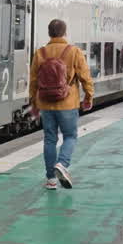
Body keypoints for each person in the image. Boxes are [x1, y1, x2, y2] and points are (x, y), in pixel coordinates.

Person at [29, 19, 95, 190]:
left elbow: (34, 81)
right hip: (68, 103)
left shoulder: (40, 53)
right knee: (70, 136)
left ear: (49, 33)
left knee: (50, 139)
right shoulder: (74, 51)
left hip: (46, 104)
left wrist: (33, 103)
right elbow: (85, 77)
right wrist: (89, 96)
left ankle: (51, 180)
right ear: (65, 33)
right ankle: (62, 164)